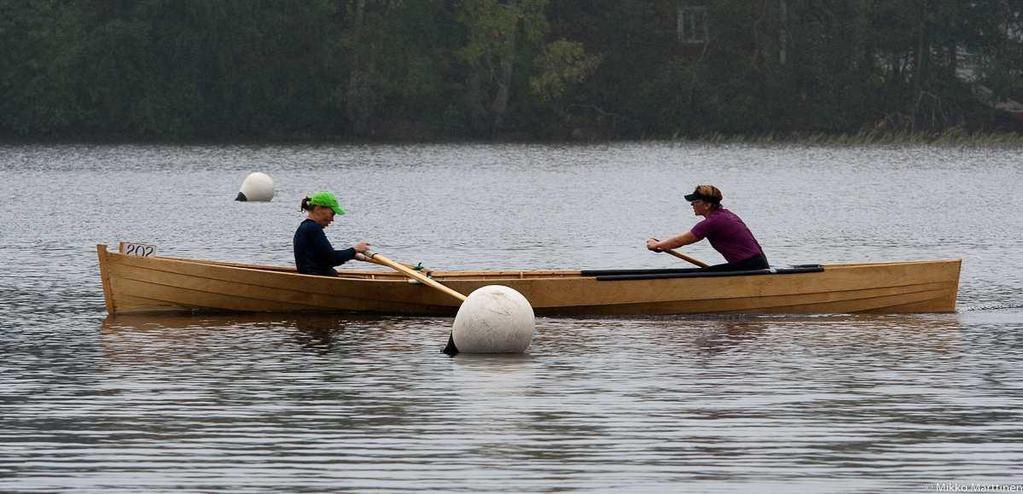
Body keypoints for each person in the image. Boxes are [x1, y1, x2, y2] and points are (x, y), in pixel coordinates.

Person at [646, 185, 768, 272]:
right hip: (756, 264)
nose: (691, 204)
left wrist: (657, 245)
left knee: (697, 276)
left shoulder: (714, 221)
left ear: (708, 204)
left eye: (695, 202)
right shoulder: (725, 215)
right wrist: (662, 244)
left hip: (750, 267)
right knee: (703, 274)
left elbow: (682, 240)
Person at [294, 191, 370, 276]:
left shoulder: (305, 227)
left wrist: (352, 255)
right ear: (318, 208)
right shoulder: (312, 228)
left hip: (317, 278)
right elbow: (332, 259)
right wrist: (354, 250)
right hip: (320, 281)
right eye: (332, 214)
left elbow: (325, 257)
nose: (332, 220)